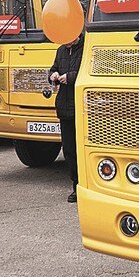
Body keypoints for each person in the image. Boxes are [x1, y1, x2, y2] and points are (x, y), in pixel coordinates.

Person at [49, 32, 84, 203]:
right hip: (64, 106)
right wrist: (53, 76)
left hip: (81, 107)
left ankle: (85, 186)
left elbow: (89, 71)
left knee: (82, 149)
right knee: (69, 150)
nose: (66, 43)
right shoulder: (61, 50)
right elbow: (54, 67)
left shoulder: (87, 46)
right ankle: (75, 185)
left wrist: (70, 77)